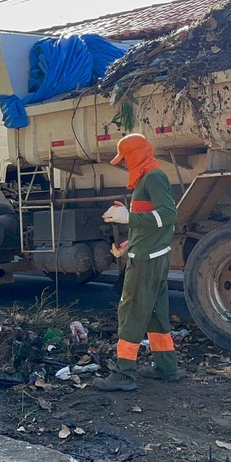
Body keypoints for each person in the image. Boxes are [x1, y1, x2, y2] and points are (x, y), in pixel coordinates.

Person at [93, 133, 180, 392]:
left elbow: (168, 215)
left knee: (131, 311)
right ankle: (167, 368)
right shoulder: (149, 177)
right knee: (155, 313)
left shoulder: (152, 177)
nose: (124, 165)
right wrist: (129, 243)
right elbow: (152, 219)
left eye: (126, 159)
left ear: (136, 155)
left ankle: (124, 373)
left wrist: (127, 217)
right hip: (151, 253)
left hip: (146, 259)